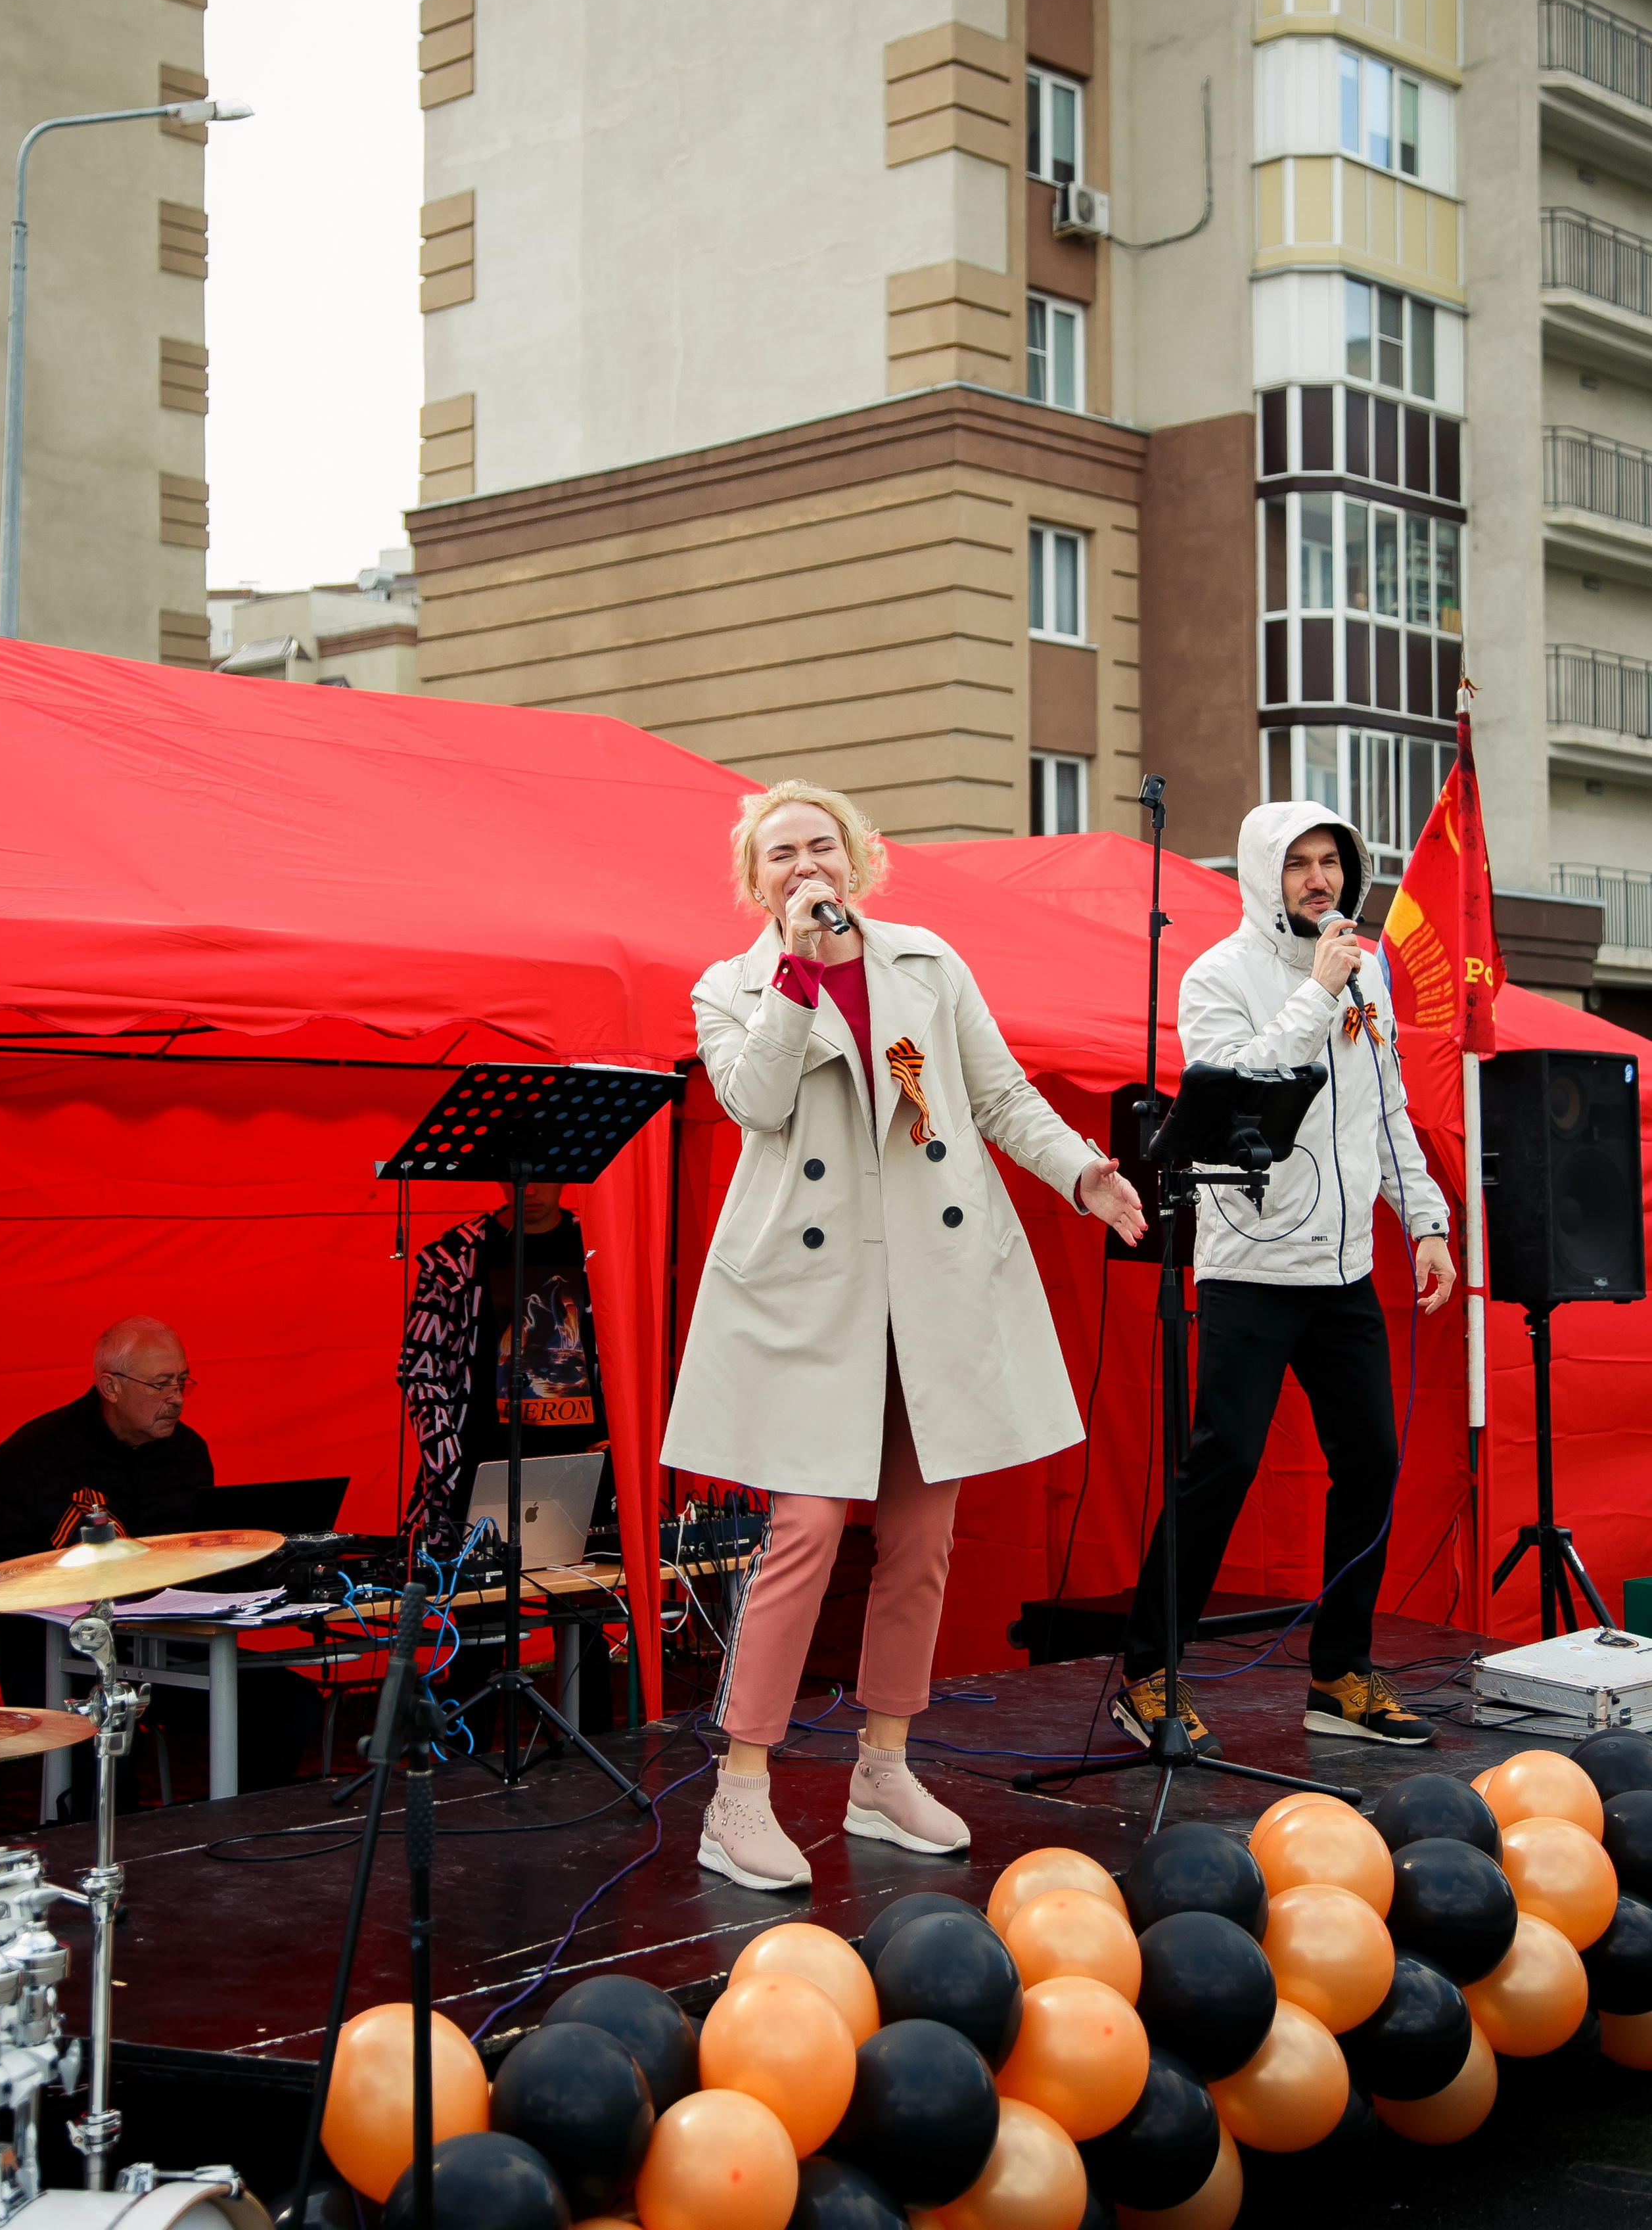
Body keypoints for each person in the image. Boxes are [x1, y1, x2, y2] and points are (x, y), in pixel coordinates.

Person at [664, 779, 1147, 1890]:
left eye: (820, 847)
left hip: (928, 1283)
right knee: (807, 1529)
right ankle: (738, 1793)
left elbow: (998, 1094)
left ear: (858, 859)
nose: (804, 867)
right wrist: (796, 972)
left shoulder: (927, 961)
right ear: (756, 880)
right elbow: (758, 1101)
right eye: (780, 854)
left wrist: (1082, 1171)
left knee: (925, 1537)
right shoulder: (730, 987)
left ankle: (884, 1769)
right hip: (807, 1293)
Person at [1114, 800, 1457, 1757]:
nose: (1321, 879)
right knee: (1221, 1465)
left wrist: (1424, 1222)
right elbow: (1238, 1087)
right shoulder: (1217, 976)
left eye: (1332, 862)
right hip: (1254, 1265)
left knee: (1375, 1464)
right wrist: (1318, 990)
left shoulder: (1365, 965)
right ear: (1265, 874)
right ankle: (1149, 1673)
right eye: (1300, 863)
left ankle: (1340, 1674)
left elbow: (1387, 1107)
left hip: (1344, 1268)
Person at [0, 1316, 319, 1810]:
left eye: (182, 1382)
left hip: (167, 1646)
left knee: (287, 1704)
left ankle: (235, 1836)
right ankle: (106, 1855)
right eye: (161, 1384)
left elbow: (197, 1557)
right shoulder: (32, 1457)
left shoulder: (187, 1452)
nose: (176, 1396)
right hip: (60, 1657)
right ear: (110, 1386)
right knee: (109, 1729)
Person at [400, 1182, 617, 1731]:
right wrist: (449, 1465)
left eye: (549, 1175)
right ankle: (460, 1759)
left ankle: (594, 1755)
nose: (534, 1190)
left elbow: (639, 1344)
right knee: (478, 1634)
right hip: (485, 1472)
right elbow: (420, 1367)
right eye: (522, 1175)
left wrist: (626, 1446)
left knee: (586, 1627)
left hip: (585, 1470)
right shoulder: (456, 1257)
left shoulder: (600, 1248)